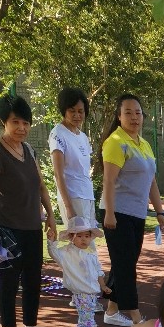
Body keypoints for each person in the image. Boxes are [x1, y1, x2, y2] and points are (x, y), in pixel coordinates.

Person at [0, 94, 58, 327]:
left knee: (33, 279)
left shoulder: (29, 150)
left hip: (32, 226)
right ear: (3, 122)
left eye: (26, 123)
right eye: (16, 122)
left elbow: (41, 186)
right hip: (6, 227)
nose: (22, 128)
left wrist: (51, 217)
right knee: (9, 280)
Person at [99, 93, 164, 327]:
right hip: (117, 213)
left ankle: (111, 310)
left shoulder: (144, 144)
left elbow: (152, 182)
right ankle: (136, 316)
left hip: (137, 213)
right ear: (119, 117)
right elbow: (108, 181)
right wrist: (109, 213)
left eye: (138, 112)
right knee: (126, 265)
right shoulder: (115, 142)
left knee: (124, 262)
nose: (134, 117)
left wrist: (160, 212)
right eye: (128, 112)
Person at [47, 214, 112, 327]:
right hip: (81, 291)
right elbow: (54, 254)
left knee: (86, 312)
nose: (84, 239)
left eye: (87, 236)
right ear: (72, 237)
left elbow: (98, 271)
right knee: (88, 314)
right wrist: (51, 241)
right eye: (79, 236)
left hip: (92, 290)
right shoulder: (67, 252)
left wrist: (103, 285)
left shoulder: (91, 253)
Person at [49, 87, 95, 226]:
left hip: (87, 196)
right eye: (72, 111)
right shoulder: (58, 134)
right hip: (72, 198)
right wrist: (68, 207)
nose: (77, 115)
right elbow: (58, 174)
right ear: (64, 110)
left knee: (89, 238)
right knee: (78, 239)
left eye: (80, 111)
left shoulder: (83, 137)